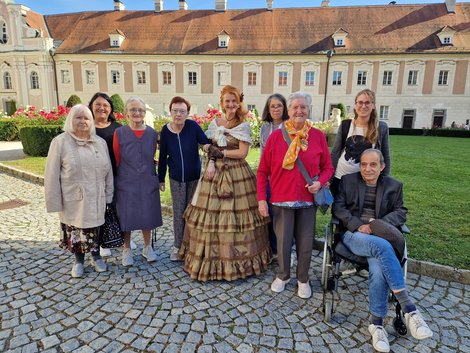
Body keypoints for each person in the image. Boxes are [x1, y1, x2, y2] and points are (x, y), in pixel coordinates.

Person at [333, 149, 433, 352]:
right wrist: (358, 225)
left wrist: (377, 225)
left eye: (373, 165)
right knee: (384, 247)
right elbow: (339, 208)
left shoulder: (393, 186)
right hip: (353, 235)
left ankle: (376, 324)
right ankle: (409, 309)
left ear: (382, 166)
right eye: (363, 164)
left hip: (378, 235)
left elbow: (400, 212)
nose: (367, 169)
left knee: (378, 268)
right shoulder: (347, 181)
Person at [179, 85, 271, 281]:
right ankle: (208, 259)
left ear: (239, 103)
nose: (231, 105)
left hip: (236, 173)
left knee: (236, 217)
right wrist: (212, 161)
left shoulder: (243, 125)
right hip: (214, 172)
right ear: (222, 103)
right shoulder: (215, 122)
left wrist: (221, 154)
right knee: (208, 215)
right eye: (227, 101)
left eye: (234, 101)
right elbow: (211, 147)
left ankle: (236, 261)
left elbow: (242, 153)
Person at [257, 91, 334, 299]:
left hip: (308, 200)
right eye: (295, 107)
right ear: (288, 111)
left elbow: (328, 167)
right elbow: (263, 171)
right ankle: (283, 275)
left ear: (308, 110)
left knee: (305, 242)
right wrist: (261, 199)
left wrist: (319, 182)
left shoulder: (317, 136)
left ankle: (303, 279)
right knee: (282, 242)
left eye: (303, 107)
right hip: (281, 198)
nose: (299, 111)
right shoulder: (275, 137)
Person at [44, 104, 113, 278]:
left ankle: (96, 257)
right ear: (70, 120)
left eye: (86, 118)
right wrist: (54, 202)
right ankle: (78, 261)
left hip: (97, 195)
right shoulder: (60, 142)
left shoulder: (100, 143)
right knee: (76, 230)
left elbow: (108, 171)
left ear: (91, 122)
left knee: (96, 228)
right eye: (78, 117)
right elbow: (51, 175)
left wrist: (109, 194)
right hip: (73, 197)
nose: (82, 121)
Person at [158, 96, 210, 261]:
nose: (178, 114)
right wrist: (161, 179)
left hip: (194, 178)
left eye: (182, 111)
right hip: (176, 179)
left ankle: (192, 246)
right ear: (170, 111)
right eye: (175, 111)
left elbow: (205, 142)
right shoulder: (166, 131)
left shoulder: (192, 126)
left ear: (187, 113)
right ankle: (178, 246)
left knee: (193, 212)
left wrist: (211, 146)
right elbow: (163, 155)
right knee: (179, 212)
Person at [113, 97, 163, 267]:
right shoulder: (119, 133)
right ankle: (126, 249)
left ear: (144, 113)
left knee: (147, 213)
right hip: (126, 180)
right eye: (133, 109)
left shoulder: (152, 133)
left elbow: (153, 156)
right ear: (126, 113)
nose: (137, 113)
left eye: (141, 110)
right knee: (127, 215)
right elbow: (117, 159)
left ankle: (147, 247)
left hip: (147, 179)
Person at [88, 92, 137, 256]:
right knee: (99, 208)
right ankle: (103, 241)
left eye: (105, 105)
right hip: (94, 176)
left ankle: (125, 238)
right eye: (98, 105)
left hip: (118, 174)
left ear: (110, 109)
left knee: (120, 207)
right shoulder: (87, 127)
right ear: (92, 107)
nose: (102, 108)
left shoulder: (118, 128)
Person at [330, 89, 390, 195]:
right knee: (339, 210)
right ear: (355, 105)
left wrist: (384, 181)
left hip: (367, 181)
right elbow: (335, 153)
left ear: (373, 105)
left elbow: (385, 156)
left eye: (367, 102)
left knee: (362, 211)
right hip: (341, 179)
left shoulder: (381, 127)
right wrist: (329, 178)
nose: (363, 106)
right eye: (360, 102)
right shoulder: (346, 125)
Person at [259, 93, 289, 256]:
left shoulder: (289, 125)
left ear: (284, 108)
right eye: (273, 106)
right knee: (269, 214)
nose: (276, 109)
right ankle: (273, 249)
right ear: (268, 109)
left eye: (279, 105)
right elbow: (263, 153)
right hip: (270, 178)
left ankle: (285, 250)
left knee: (284, 217)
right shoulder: (265, 127)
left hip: (286, 179)